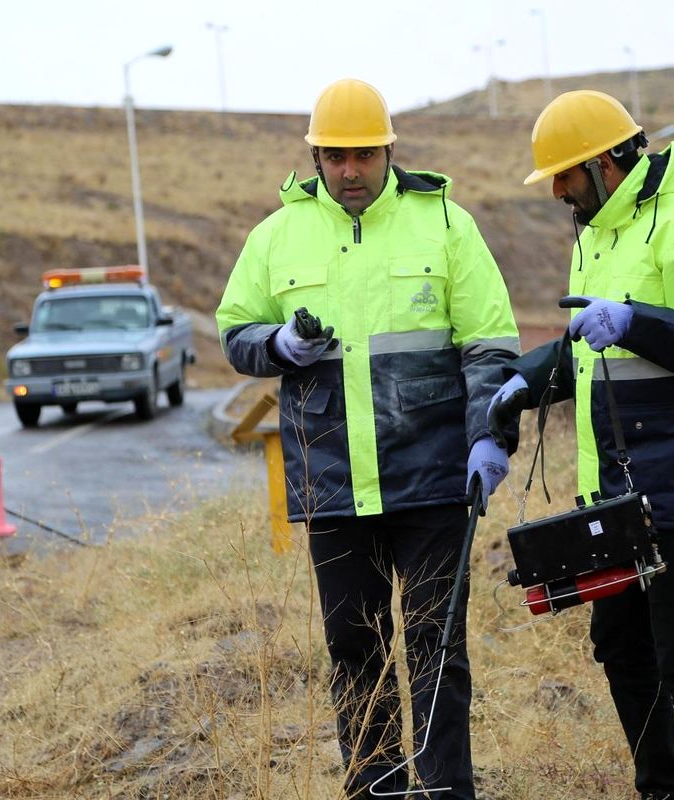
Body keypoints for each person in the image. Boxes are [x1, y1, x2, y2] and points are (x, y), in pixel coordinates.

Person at [216, 78, 519, 799]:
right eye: (335, 157)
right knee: (355, 651)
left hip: (435, 479)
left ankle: (446, 790)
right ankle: (376, 789)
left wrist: (487, 436)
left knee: (436, 647)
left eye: (363, 155)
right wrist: (277, 344)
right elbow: (236, 331)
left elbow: (490, 345)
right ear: (316, 157)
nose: (350, 170)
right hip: (333, 482)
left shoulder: (446, 225)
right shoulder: (275, 235)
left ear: (388, 151)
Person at [490, 90, 674, 800]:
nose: (556, 192)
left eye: (564, 175)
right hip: (618, 489)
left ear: (608, 162)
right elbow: (590, 349)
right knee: (621, 646)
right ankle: (662, 788)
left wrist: (635, 321)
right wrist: (524, 381)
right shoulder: (597, 234)